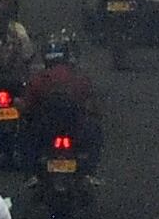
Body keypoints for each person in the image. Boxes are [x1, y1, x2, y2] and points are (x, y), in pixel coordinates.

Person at [19, 35, 102, 178]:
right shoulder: (79, 78)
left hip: (45, 129)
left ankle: (30, 173)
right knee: (96, 133)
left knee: (25, 135)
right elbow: (93, 106)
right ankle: (91, 173)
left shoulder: (38, 80)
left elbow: (27, 107)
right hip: (76, 128)